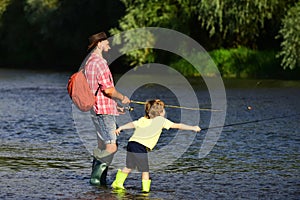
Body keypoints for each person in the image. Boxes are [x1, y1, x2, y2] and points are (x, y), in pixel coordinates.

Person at [111, 99, 201, 192]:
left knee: (130, 166)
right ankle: (145, 191)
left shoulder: (143, 119)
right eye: (163, 109)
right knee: (145, 170)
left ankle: (117, 183)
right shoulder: (162, 121)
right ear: (161, 112)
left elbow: (132, 124)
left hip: (131, 143)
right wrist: (193, 128)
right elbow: (178, 126)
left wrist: (121, 127)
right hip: (140, 146)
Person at [84, 31, 131, 185]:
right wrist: (122, 98)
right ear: (99, 44)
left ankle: (98, 183)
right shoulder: (100, 63)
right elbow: (108, 90)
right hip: (103, 111)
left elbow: (96, 89)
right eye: (107, 43)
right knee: (111, 147)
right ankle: (96, 180)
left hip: (96, 109)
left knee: (102, 145)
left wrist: (114, 106)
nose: (109, 45)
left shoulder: (89, 62)